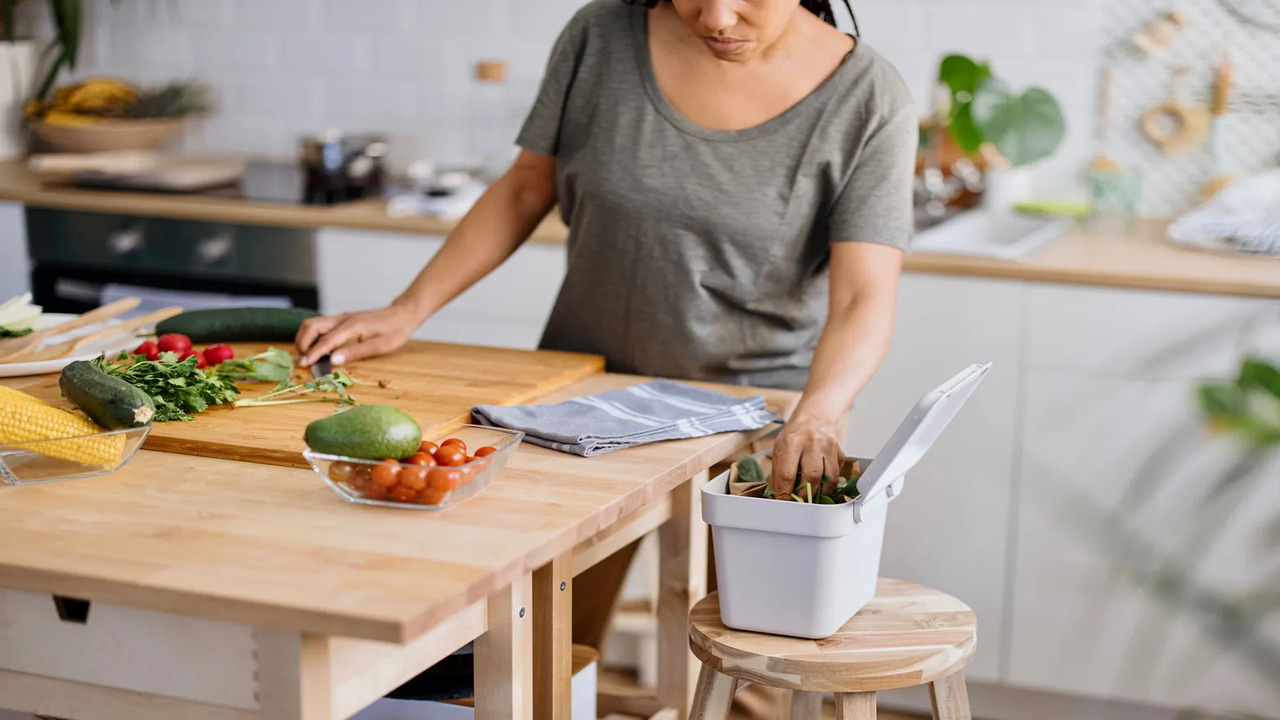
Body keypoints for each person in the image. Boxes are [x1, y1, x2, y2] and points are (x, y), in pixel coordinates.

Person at [298, 0, 916, 502]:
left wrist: (822, 411)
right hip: (581, 393)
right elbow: (522, 191)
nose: (718, 18)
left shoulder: (867, 97)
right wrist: (407, 310)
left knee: (748, 633)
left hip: (752, 413)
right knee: (547, 614)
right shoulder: (601, 36)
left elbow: (864, 294)